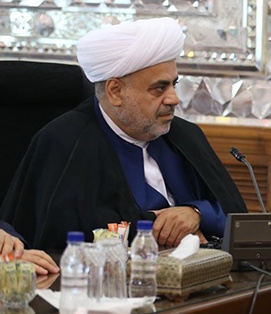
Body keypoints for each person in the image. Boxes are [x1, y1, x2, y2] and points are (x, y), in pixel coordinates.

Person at [0, 18, 247, 250]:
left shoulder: (185, 135)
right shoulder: (65, 142)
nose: (174, 99)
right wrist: (161, 228)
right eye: (159, 88)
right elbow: (72, 235)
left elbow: (236, 216)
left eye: (174, 84)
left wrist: (196, 213)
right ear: (115, 91)